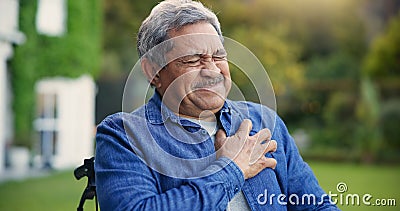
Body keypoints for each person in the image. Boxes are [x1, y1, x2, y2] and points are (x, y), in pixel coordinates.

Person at [95, 0, 340, 210]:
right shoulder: (124, 135)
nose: (213, 70)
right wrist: (230, 169)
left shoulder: (264, 121)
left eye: (219, 56)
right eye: (193, 59)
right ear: (154, 72)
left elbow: (316, 205)